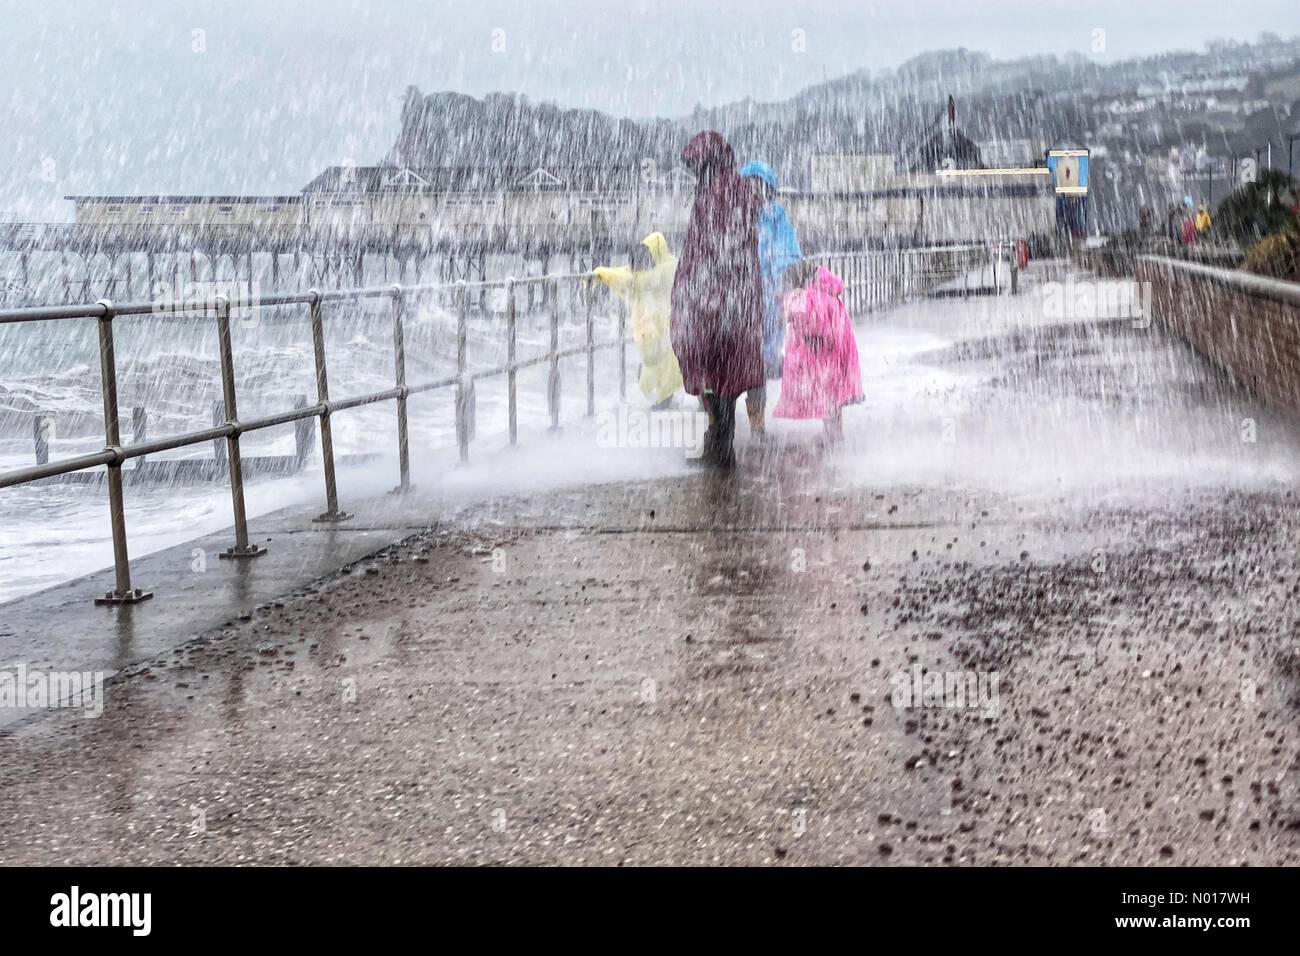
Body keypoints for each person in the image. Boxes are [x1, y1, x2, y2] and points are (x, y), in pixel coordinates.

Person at [670, 131, 765, 469]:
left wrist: (697, 292)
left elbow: (706, 249)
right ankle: (721, 441)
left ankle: (720, 443)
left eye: (697, 166)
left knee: (713, 369)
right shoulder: (737, 190)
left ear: (707, 162)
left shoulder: (715, 193)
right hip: (737, 300)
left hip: (716, 300)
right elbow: (736, 246)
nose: (695, 173)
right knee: (725, 372)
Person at [738, 160, 802, 438]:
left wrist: (784, 286)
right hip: (740, 305)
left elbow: (789, 252)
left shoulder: (776, 217)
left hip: (769, 302)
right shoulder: (734, 218)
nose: (753, 193)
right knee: (738, 363)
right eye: (747, 186)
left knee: (759, 365)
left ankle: (756, 424)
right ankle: (720, 421)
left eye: (757, 187)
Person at [773, 261, 863, 446]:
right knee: (832, 393)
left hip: (827, 351)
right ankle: (834, 432)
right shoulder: (823, 290)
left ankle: (833, 434)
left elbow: (806, 318)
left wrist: (785, 306)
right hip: (838, 348)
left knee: (829, 393)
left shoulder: (811, 296)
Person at [592, 232, 683, 409]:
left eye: (645, 257)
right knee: (660, 362)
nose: (640, 264)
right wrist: (605, 273)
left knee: (664, 362)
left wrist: (603, 273)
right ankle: (671, 396)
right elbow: (625, 274)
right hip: (656, 327)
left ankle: (667, 397)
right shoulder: (667, 267)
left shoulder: (661, 272)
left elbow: (628, 279)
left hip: (662, 326)